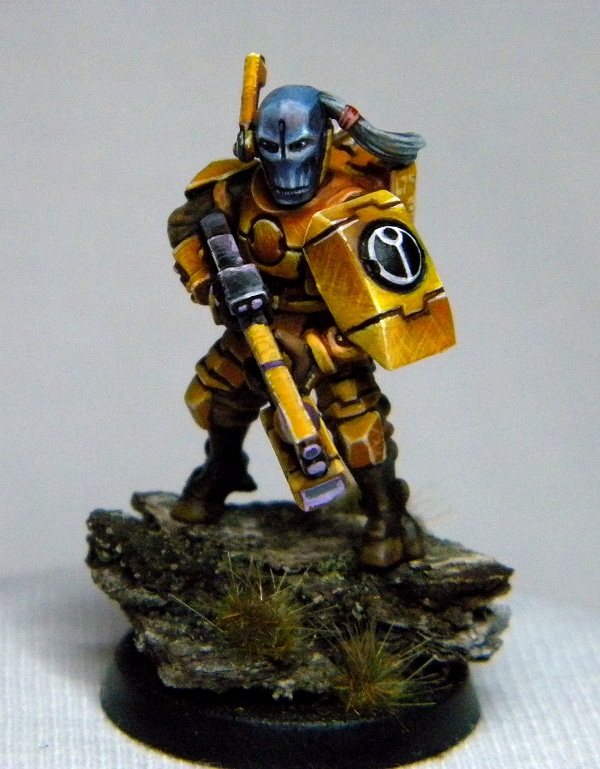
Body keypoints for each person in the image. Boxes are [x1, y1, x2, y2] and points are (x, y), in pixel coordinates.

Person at [166, 56, 454, 568]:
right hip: (257, 321)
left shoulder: (355, 201)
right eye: (271, 148)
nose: (284, 162)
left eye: (297, 146)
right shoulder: (235, 188)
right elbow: (187, 226)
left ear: (322, 141)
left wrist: (326, 347)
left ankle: (387, 516)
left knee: (356, 422)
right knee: (215, 395)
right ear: (254, 143)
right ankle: (223, 468)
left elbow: (385, 293)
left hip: (330, 331)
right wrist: (210, 283)